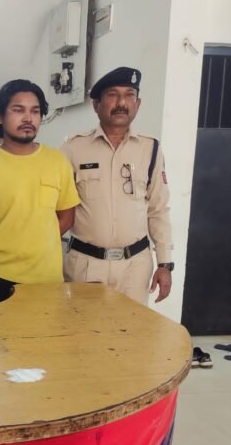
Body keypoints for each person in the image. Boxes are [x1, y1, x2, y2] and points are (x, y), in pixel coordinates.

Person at [0, 79, 80, 305]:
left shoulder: (58, 162)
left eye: (35, 111)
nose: (28, 118)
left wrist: (40, 239)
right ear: (0, 117)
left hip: (48, 280)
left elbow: (67, 216)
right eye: (18, 110)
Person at [61, 67, 173, 308]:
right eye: (112, 95)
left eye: (129, 95)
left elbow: (158, 209)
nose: (122, 103)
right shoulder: (73, 148)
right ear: (96, 104)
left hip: (135, 268)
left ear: (138, 103)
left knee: (130, 329)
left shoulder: (150, 149)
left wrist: (165, 263)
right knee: (83, 328)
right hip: (86, 265)